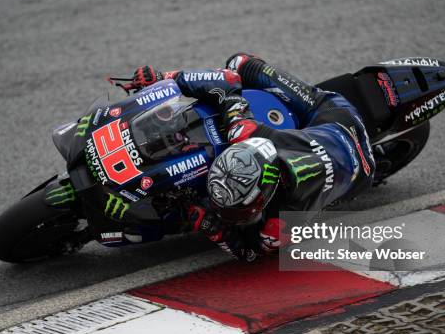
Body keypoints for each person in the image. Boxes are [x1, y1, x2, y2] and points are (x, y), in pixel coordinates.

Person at [131, 54, 375, 261]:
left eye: (236, 209)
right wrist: (163, 79)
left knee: (237, 65)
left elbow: (250, 253)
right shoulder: (247, 133)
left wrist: (212, 227)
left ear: (263, 200)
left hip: (355, 153)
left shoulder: (280, 224)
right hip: (332, 126)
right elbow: (226, 81)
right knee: (240, 63)